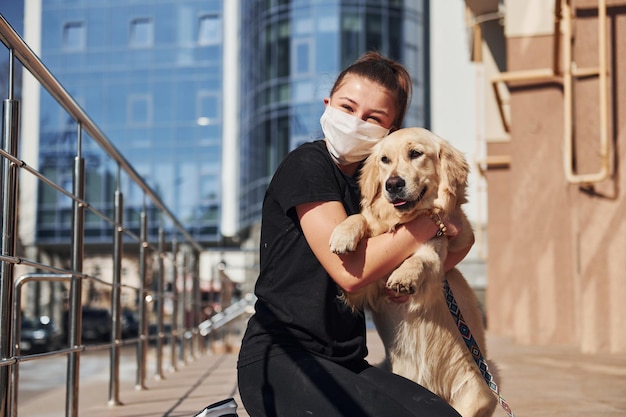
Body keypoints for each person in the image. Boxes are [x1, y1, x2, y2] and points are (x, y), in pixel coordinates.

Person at [237, 51, 472, 417]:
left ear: (390, 132)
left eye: (372, 118)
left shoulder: (380, 183)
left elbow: (460, 240)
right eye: (347, 107)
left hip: (347, 359)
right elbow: (350, 273)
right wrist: (432, 223)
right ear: (328, 104)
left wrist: (427, 250)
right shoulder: (308, 165)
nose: (355, 122)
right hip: (283, 357)